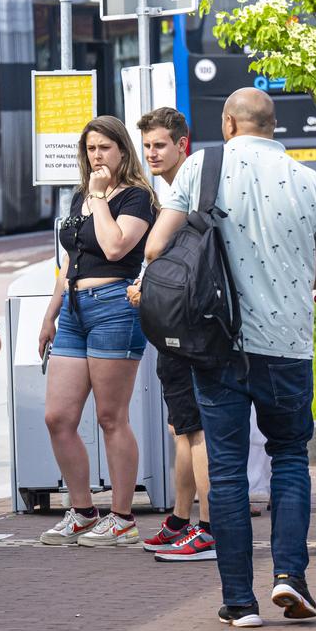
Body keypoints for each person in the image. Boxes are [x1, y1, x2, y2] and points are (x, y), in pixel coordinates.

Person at [144, 90, 316, 628]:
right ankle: (291, 577)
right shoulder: (312, 182)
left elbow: (155, 248)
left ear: (228, 123)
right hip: (285, 346)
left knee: (229, 470)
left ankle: (239, 601)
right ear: (274, 125)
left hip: (217, 345)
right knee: (288, 456)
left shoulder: (200, 167)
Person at [37, 116, 157, 547]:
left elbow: (114, 247)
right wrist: (50, 315)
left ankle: (122, 517)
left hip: (114, 307)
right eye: (91, 149)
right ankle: (83, 509)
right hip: (73, 308)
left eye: (105, 148)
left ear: (122, 151)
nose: (97, 156)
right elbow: (68, 261)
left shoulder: (136, 198)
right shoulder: (79, 198)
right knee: (58, 417)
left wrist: (101, 198)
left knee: (111, 417)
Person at [130, 107, 216, 560]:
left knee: (195, 429)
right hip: (176, 326)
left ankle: (207, 526)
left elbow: (160, 252)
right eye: (146, 147)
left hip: (190, 325)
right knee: (182, 427)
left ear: (183, 144)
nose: (152, 154)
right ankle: (182, 519)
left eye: (159, 145)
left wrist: (146, 283)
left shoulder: (190, 192)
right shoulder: (174, 191)